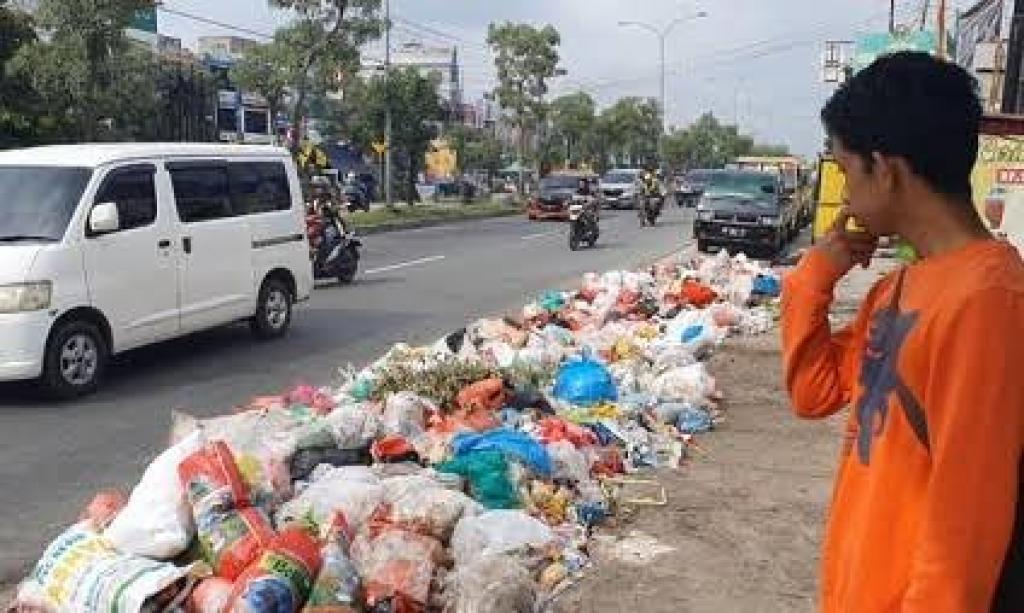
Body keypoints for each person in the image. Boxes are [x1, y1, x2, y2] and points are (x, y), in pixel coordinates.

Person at [782, 52, 1023, 612]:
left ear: (885, 169)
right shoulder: (896, 289)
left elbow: (963, 531)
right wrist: (815, 275)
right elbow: (814, 393)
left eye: (846, 170)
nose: (844, 194)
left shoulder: (990, 302)